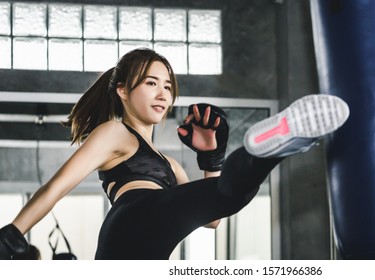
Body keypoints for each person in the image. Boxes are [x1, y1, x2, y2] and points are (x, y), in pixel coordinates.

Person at [0, 48, 349, 260]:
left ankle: (275, 148)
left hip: (154, 243)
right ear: (122, 90)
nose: (162, 93)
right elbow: (57, 186)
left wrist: (211, 159)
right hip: (131, 222)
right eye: (151, 83)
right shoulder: (114, 132)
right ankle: (266, 154)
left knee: (227, 193)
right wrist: (15, 231)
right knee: (223, 193)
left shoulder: (169, 163)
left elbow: (212, 216)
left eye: (167, 86)